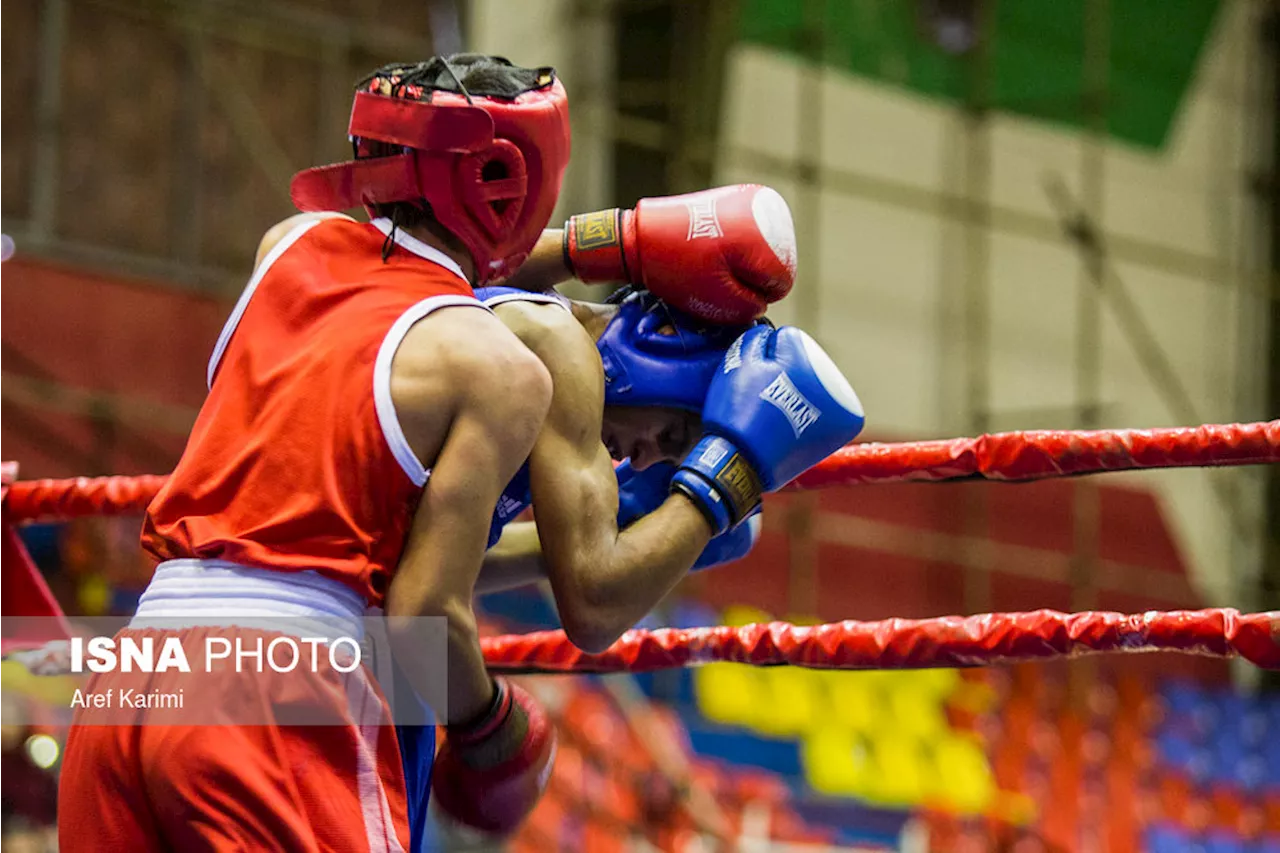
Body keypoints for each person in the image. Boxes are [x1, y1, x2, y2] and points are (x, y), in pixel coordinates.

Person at [57, 53, 863, 852]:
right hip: (280, 694)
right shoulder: (508, 365)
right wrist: (727, 473)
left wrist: (611, 243)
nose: (648, 457)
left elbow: (387, 553)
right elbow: (497, 614)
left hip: (134, 673)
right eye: (676, 434)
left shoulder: (291, 247)